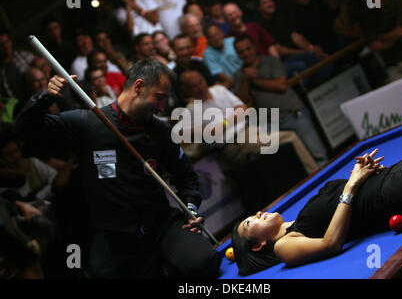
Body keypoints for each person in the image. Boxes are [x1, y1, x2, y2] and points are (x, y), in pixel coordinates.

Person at [13, 59, 220, 278]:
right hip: (120, 240)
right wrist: (46, 97)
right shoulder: (88, 123)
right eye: (158, 98)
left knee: (204, 263)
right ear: (139, 87)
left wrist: (190, 208)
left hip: (161, 223)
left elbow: (187, 179)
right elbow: (23, 130)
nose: (161, 107)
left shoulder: (160, 131)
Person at [232, 145, 402, 276]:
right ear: (259, 246)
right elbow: (330, 244)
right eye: (250, 222)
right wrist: (352, 183)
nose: (258, 213)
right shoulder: (283, 246)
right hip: (390, 196)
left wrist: (366, 172)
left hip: (393, 172)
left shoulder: (296, 222)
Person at [180, 70, 318, 174]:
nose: (200, 87)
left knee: (282, 144)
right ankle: (314, 175)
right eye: (194, 86)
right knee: (290, 137)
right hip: (234, 145)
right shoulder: (191, 109)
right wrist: (230, 119)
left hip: (250, 131)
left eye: (200, 82)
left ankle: (309, 176)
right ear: (187, 91)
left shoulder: (219, 90)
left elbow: (244, 109)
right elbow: (203, 133)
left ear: (204, 79)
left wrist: (223, 124)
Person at [233, 34, 329, 167]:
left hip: (293, 114)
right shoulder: (240, 75)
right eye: (241, 52)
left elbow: (281, 85)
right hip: (272, 124)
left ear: (254, 47)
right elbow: (242, 100)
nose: (246, 53)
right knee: (298, 162)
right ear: (237, 55)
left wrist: (254, 81)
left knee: (318, 155)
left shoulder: (271, 61)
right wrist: (246, 80)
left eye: (248, 49)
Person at [203, 23, 243, 89]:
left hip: (248, 76)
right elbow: (221, 75)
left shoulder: (233, 41)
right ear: (207, 40)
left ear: (222, 33)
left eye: (217, 34)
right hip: (235, 86)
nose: (216, 38)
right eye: (212, 37)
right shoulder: (208, 54)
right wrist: (241, 86)